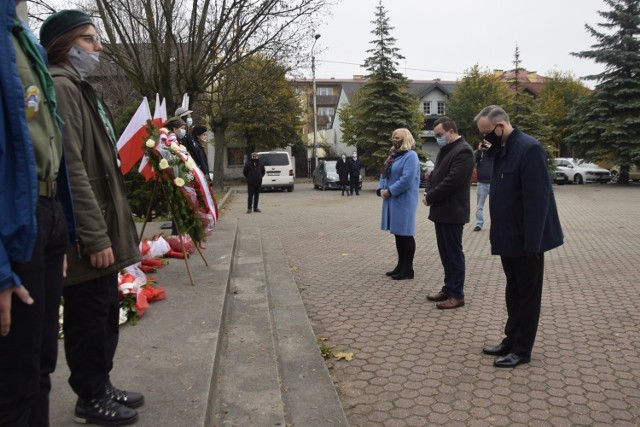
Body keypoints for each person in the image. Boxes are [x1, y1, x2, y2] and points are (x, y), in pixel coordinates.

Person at [41, 9, 144, 425]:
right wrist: (93, 236)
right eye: (88, 40)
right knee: (87, 317)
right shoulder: (62, 87)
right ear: (63, 45)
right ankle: (90, 396)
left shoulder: (81, 87)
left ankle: (101, 384)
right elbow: (73, 169)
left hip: (100, 223)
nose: (97, 48)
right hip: (87, 232)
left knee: (103, 312)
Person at [0, 2, 76, 424]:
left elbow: (48, 138)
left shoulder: (24, 36)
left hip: (44, 216)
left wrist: (58, 227)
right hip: (14, 220)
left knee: (42, 360)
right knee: (15, 376)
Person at [475, 105, 563, 368]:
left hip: (526, 241)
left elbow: (538, 202)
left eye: (487, 132)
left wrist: (533, 245)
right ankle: (510, 339)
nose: (485, 137)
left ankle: (522, 350)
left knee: (528, 295)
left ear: (500, 126)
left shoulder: (529, 149)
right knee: (513, 291)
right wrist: (487, 154)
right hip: (508, 237)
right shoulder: (502, 150)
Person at [423, 116, 474, 310]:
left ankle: (457, 294)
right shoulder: (445, 150)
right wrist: (428, 191)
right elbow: (434, 175)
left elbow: (452, 181)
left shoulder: (464, 151)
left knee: (453, 253)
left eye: (439, 135)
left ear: (451, 131)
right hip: (441, 210)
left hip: (453, 211)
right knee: (445, 252)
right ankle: (448, 287)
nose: (438, 138)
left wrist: (431, 197)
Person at [377, 128, 420, 281]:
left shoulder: (411, 156)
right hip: (392, 200)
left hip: (404, 200)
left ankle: (408, 269)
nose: (395, 140)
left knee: (406, 234)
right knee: (398, 234)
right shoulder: (392, 156)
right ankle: (400, 265)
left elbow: (407, 179)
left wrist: (390, 191)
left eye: (398, 138)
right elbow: (384, 173)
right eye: (393, 137)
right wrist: (380, 188)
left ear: (406, 139)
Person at [473, 140, 494, 231]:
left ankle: (495, 224)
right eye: (485, 142)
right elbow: (472, 160)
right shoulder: (480, 153)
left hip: (494, 183)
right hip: (481, 183)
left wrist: (492, 149)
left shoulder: (495, 152)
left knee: (495, 205)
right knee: (479, 206)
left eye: (488, 142)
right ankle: (479, 224)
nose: (486, 145)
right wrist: (478, 150)